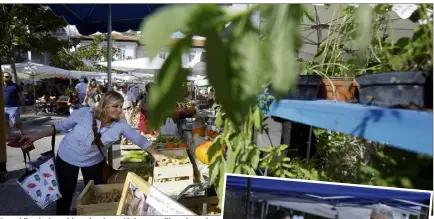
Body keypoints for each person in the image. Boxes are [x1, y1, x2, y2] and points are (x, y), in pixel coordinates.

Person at [20, 91, 168, 215]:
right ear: (104, 105)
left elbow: (139, 139)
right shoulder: (84, 113)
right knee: (65, 193)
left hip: (93, 162)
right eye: (115, 106)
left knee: (95, 194)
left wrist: (156, 154)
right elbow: (59, 126)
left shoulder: (121, 126)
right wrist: (34, 137)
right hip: (67, 157)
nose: (119, 110)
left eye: (121, 107)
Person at [4, 72, 26, 140]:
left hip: (14, 107)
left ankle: (20, 126)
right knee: (5, 123)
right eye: (7, 77)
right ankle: (8, 136)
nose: (9, 78)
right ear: (2, 77)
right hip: (3, 107)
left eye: (10, 77)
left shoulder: (15, 86)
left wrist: (23, 105)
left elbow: (21, 96)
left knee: (14, 122)